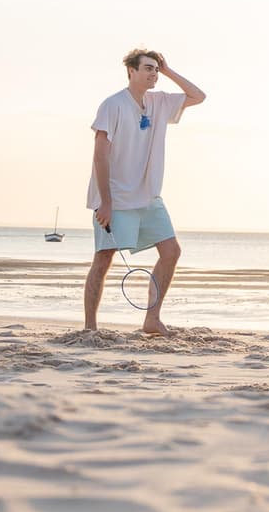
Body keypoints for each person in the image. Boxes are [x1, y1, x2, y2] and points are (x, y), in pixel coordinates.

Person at [83, 49, 206, 334]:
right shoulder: (112, 105)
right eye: (148, 68)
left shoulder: (159, 102)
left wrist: (169, 70)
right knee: (103, 259)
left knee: (171, 251)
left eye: (155, 69)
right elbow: (99, 155)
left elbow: (198, 96)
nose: (153, 74)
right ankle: (90, 329)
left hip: (149, 197)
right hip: (115, 198)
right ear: (131, 71)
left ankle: (152, 319)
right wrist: (105, 202)